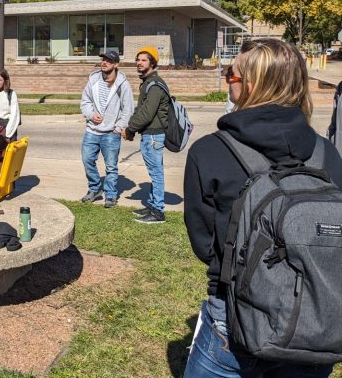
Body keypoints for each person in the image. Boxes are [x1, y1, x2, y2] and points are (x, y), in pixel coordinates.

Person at [183, 38, 342, 378]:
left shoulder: (209, 151)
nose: (228, 80)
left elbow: (204, 244)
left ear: (251, 85)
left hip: (234, 317)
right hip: (315, 321)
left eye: (230, 74)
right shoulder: (325, 152)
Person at [80, 50, 134, 208]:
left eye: (108, 61)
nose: (104, 63)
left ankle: (110, 195)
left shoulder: (122, 84)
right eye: (103, 60)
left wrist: (118, 128)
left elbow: (128, 109)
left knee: (111, 166)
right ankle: (94, 188)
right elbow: (85, 101)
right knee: (87, 160)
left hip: (111, 133)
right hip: (92, 130)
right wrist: (90, 114)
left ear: (116, 64)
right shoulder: (93, 79)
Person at [123, 46, 170, 224]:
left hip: (153, 136)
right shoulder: (149, 82)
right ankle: (152, 205)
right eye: (138, 59)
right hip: (150, 135)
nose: (139, 63)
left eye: (143, 60)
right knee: (154, 173)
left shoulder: (155, 85)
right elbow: (141, 109)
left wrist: (130, 129)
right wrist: (133, 128)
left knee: (156, 174)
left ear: (152, 62)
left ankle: (158, 212)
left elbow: (147, 113)